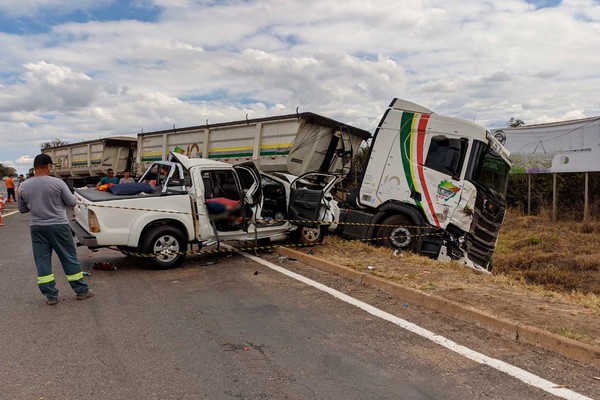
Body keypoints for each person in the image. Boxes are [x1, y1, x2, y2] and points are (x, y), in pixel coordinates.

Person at [18, 154, 94, 305]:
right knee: (68, 257)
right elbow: (71, 202)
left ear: (34, 167)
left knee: (42, 261)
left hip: (37, 228)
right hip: (58, 226)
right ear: (47, 166)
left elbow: (22, 209)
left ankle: (51, 296)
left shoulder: (23, 186)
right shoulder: (57, 183)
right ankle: (81, 291)